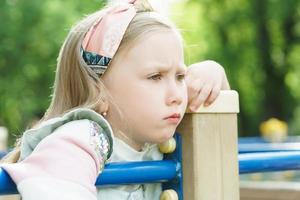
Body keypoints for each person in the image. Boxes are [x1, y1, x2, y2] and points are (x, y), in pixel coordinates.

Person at [0, 0, 230, 199]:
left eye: (180, 76)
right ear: (98, 91)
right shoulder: (85, 137)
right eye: (155, 76)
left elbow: (220, 135)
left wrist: (213, 73)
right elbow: (54, 183)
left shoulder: (153, 134)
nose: (177, 96)